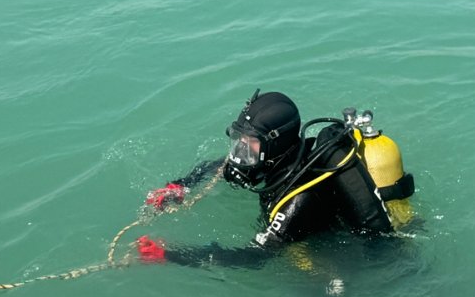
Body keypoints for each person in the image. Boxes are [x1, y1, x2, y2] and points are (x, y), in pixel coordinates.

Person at [135, 89, 414, 268]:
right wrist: (180, 185)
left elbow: (253, 257)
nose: (239, 152)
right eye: (239, 141)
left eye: (249, 144)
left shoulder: (298, 200)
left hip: (335, 254)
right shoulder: (279, 158)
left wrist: (171, 255)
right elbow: (222, 166)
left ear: (274, 145)